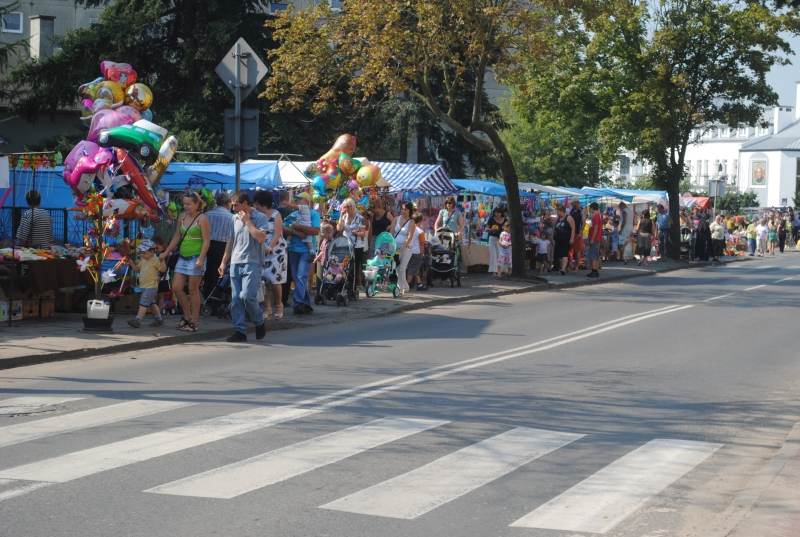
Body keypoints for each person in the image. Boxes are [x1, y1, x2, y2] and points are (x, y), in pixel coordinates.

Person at [218, 191, 268, 342]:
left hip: (252, 262)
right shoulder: (234, 218)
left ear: (246, 203)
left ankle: (259, 321)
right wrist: (224, 261)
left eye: (237, 205)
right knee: (236, 300)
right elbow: (230, 241)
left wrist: (247, 221)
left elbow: (260, 238)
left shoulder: (260, 217)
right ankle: (240, 330)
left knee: (247, 296)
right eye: (232, 205)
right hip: (235, 261)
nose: (234, 208)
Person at [161, 191, 210, 333]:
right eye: (184, 204)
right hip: (183, 256)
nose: (186, 206)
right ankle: (187, 316)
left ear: (196, 204)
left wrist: (201, 258)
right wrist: (166, 252)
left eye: (189, 204)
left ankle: (194, 321)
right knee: (176, 287)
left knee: (193, 290)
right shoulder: (182, 217)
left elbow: (206, 240)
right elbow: (177, 236)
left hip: (196, 257)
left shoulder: (202, 219)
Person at [253, 190, 287, 321]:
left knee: (275, 280)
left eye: (257, 203)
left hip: (276, 251)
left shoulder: (276, 214)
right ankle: (267, 308)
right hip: (261, 250)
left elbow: (278, 233)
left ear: (263, 203)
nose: (255, 206)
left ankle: (279, 305)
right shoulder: (256, 215)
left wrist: (271, 247)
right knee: (264, 281)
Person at [285, 192, 320, 314]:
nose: (297, 201)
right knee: (298, 278)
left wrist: (296, 227)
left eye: (299, 199)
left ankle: (298, 302)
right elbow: (283, 227)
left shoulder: (314, 214)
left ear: (306, 201)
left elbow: (315, 231)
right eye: (297, 199)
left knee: (300, 276)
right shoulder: (293, 214)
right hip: (293, 250)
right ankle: (306, 303)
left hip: (306, 250)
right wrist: (295, 231)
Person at [202, 191, 234, 310]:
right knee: (221, 274)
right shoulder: (231, 217)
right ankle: (216, 301)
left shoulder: (207, 214)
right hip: (224, 246)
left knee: (209, 272)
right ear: (227, 203)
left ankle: (207, 298)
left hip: (208, 245)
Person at [127, 240, 166, 328]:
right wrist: (131, 262)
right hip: (144, 286)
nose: (142, 254)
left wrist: (162, 260)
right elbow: (137, 269)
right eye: (141, 252)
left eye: (144, 252)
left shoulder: (155, 259)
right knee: (152, 304)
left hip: (151, 286)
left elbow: (162, 269)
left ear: (152, 251)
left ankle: (138, 320)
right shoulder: (143, 259)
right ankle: (159, 319)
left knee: (144, 302)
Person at [337, 197, 368, 297]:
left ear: (352, 207)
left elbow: (363, 233)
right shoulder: (344, 217)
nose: (346, 209)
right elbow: (339, 229)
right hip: (346, 245)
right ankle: (346, 287)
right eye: (344, 207)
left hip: (357, 246)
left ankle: (352, 289)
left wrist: (356, 233)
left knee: (353, 268)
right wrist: (341, 216)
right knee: (345, 267)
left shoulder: (360, 218)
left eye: (347, 207)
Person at [393, 202, 417, 296]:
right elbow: (391, 233)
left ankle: (401, 288)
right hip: (395, 246)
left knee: (402, 268)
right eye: (402, 209)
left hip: (407, 247)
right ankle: (405, 286)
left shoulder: (412, 222)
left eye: (405, 209)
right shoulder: (396, 219)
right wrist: (389, 244)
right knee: (397, 268)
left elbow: (409, 237)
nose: (403, 211)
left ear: (409, 211)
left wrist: (403, 247)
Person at [277, 190, 294, 308]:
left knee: (277, 272)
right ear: (288, 198)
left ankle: (276, 299)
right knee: (287, 273)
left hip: (276, 244)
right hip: (290, 244)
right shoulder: (291, 211)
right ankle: (284, 299)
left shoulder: (275, 211)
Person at [553, 206, 575, 275]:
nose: (557, 213)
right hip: (558, 239)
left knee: (564, 254)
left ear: (561, 211)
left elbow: (573, 229)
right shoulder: (558, 218)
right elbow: (555, 227)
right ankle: (561, 267)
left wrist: (572, 238)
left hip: (565, 239)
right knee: (558, 254)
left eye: (557, 211)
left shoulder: (569, 217)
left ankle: (563, 269)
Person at [406, 213, 426, 290]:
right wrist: (422, 253)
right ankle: (406, 285)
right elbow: (422, 245)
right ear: (420, 221)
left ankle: (419, 284)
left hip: (408, 251)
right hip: (416, 253)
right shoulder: (420, 231)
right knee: (412, 269)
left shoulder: (409, 229)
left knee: (414, 268)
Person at [486, 208, 506, 276]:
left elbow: (508, 229)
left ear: (501, 213)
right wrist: (491, 229)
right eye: (495, 212)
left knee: (500, 255)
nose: (496, 214)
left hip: (501, 239)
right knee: (493, 255)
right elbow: (487, 228)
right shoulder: (491, 219)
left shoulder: (505, 220)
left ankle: (500, 271)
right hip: (492, 238)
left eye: (498, 213)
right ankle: (493, 271)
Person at [586, 202, 603, 278]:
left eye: (590, 208)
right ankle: (594, 270)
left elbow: (595, 228)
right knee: (594, 254)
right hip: (596, 238)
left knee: (593, 255)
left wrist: (592, 238)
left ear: (592, 208)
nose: (589, 210)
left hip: (595, 238)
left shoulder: (596, 216)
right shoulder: (596, 215)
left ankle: (594, 270)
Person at [569, 200, 584, 270]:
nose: (572, 204)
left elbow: (583, 223)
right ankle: (571, 265)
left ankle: (576, 266)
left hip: (577, 233)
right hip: (571, 232)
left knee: (577, 250)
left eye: (573, 203)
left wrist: (581, 232)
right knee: (570, 250)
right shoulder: (572, 210)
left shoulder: (581, 211)